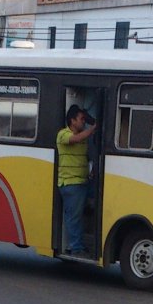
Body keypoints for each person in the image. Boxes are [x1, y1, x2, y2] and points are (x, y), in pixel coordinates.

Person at [56, 105, 97, 258]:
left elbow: (86, 156)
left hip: (83, 181)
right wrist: (93, 128)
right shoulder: (63, 134)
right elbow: (76, 139)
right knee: (74, 216)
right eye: (81, 119)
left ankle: (79, 243)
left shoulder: (83, 137)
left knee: (80, 214)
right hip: (70, 183)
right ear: (72, 121)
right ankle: (75, 246)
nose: (83, 122)